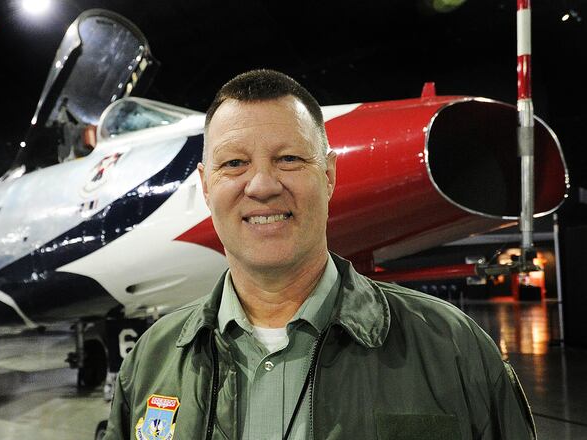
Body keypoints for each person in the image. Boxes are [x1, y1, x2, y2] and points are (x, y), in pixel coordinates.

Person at [104, 69, 536, 440]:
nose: (262, 185)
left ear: (328, 175)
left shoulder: (455, 352)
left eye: (289, 158)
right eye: (234, 164)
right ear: (206, 185)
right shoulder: (149, 363)